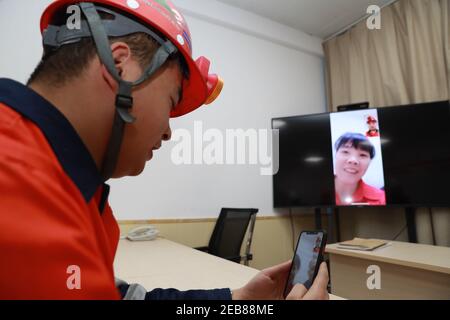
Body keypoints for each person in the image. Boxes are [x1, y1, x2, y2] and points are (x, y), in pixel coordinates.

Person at [0, 0, 329, 300]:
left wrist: (240, 300)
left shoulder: (63, 181)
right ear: (119, 66)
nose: (169, 132)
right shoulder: (17, 184)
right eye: (171, 101)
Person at [334, 133, 386, 206]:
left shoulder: (382, 199)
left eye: (362, 155)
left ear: (369, 162)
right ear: (336, 155)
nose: (353, 160)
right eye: (345, 152)